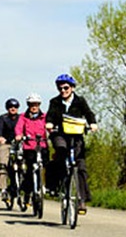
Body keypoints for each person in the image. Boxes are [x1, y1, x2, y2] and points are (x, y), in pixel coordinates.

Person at [45, 73, 97, 215]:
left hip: (76, 135)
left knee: (81, 166)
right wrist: (49, 123)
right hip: (60, 134)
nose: (63, 91)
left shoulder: (80, 101)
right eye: (60, 88)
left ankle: (82, 200)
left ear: (72, 88)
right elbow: (50, 115)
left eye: (66, 88)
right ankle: (56, 184)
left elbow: (88, 113)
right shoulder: (54, 102)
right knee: (60, 151)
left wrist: (92, 123)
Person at [14, 92, 49, 201]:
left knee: (46, 165)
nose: (34, 107)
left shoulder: (44, 117)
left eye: (36, 104)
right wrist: (19, 135)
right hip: (29, 146)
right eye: (31, 104)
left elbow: (49, 126)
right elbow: (18, 128)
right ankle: (28, 191)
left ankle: (45, 186)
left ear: (39, 105)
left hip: (42, 145)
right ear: (28, 105)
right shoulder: (23, 117)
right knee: (29, 169)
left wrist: (51, 132)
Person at [0, 97, 20, 203]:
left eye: (15, 107)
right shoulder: (3, 118)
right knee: (3, 164)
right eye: (10, 107)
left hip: (18, 143)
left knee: (22, 164)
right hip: (6, 144)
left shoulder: (21, 118)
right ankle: (3, 188)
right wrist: (1, 138)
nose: (13, 109)